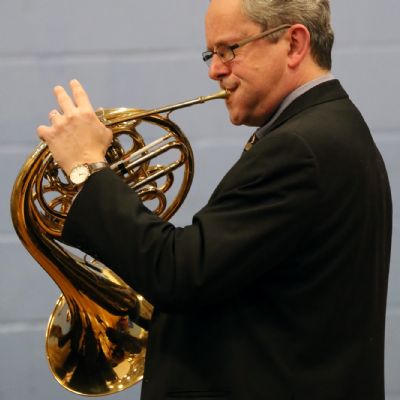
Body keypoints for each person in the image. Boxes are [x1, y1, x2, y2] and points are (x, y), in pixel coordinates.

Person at [37, 0, 392, 399]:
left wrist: (88, 168)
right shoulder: (328, 129)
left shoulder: (300, 148)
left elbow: (179, 273)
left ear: (294, 44)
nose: (215, 70)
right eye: (211, 54)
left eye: (229, 50)